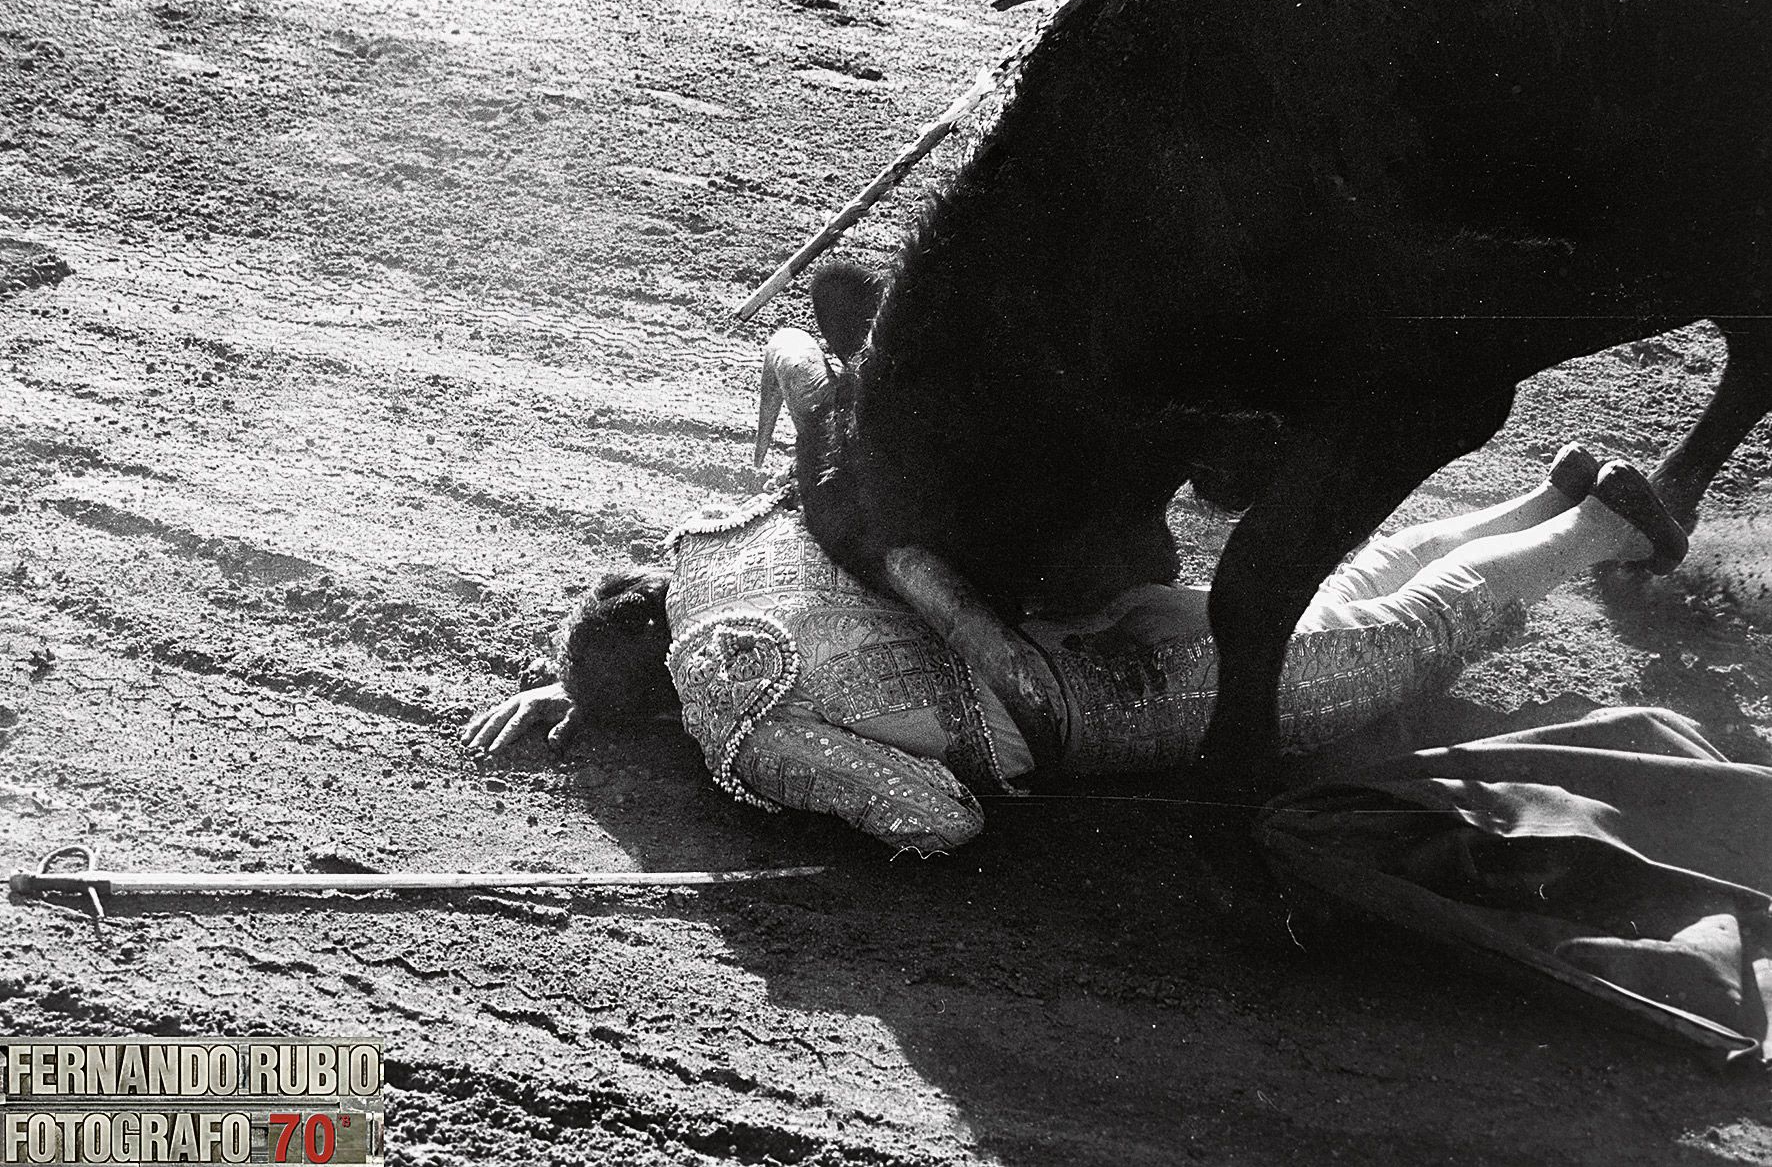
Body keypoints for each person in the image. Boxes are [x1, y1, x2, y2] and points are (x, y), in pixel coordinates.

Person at [461, 440, 1688, 855]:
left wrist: (725, 763)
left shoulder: (735, 712)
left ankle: (1591, 524)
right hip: (1087, 615)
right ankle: (1531, 504)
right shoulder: (722, 542)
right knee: (1313, 596)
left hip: (1114, 704)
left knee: (1388, 639)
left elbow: (936, 819)